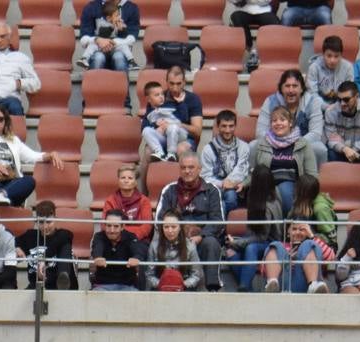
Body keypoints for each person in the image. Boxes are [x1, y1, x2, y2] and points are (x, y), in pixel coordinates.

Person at [152, 153, 226, 290]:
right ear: (179, 170)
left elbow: (218, 222)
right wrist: (177, 235)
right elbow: (159, 221)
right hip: (174, 238)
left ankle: (213, 288)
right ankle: (163, 286)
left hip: (202, 238)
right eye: (184, 167)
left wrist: (200, 236)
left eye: (191, 167)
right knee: (156, 244)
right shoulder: (169, 190)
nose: (187, 171)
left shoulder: (211, 190)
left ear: (200, 169)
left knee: (212, 243)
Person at [323, 81, 360, 202]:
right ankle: (335, 196)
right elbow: (331, 138)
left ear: (357, 97)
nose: (342, 103)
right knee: (330, 152)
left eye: (346, 99)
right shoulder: (331, 111)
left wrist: (354, 149)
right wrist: (345, 149)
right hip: (341, 150)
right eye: (339, 100)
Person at [17, 200, 77, 291]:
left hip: (59, 288)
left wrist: (43, 259)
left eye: (49, 222)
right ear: (36, 221)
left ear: (56, 219)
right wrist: (16, 247)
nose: (45, 227)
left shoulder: (63, 235)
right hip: (36, 286)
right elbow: (11, 240)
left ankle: (63, 279)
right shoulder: (30, 236)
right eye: (41, 222)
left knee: (66, 245)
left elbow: (68, 235)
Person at [199, 109, 251, 211]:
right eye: (224, 126)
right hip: (215, 188)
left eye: (231, 126)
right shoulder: (208, 149)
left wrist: (230, 183)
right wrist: (223, 184)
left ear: (235, 126)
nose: (227, 130)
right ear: (217, 127)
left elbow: (241, 169)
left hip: (236, 188)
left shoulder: (244, 147)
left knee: (231, 196)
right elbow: (205, 177)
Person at [88, 207, 144, 289]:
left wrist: (136, 258)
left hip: (127, 286)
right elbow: (97, 248)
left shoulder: (131, 237)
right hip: (103, 285)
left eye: (116, 226)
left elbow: (138, 251)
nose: (111, 230)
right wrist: (98, 257)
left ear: (122, 227)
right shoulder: (99, 236)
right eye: (108, 226)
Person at [79, 0, 140, 74]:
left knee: (119, 57)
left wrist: (120, 34)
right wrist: (97, 40)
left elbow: (132, 37)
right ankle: (93, 83)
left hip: (119, 49)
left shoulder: (131, 8)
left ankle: (122, 82)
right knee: (98, 57)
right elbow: (83, 39)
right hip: (97, 50)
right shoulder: (91, 7)